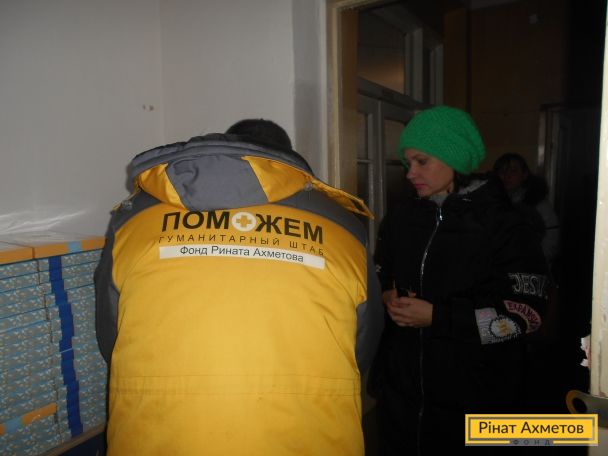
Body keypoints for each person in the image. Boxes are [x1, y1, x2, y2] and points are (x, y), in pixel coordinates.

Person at [95, 119, 383, 455]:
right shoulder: (341, 225)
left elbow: (111, 335)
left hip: (158, 435)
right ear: (285, 159)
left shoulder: (133, 220)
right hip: (307, 434)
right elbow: (361, 344)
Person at [369, 106, 549, 454]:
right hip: (403, 397)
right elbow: (381, 272)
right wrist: (386, 294)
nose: (410, 173)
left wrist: (439, 317)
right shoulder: (402, 217)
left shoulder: (506, 225)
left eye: (422, 161)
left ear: (454, 158)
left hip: (476, 398)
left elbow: (527, 315)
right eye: (408, 162)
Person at [492, 152, 560, 271]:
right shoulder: (492, 202)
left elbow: (551, 241)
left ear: (524, 174)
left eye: (513, 171)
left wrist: (530, 262)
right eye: (502, 171)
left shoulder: (538, 203)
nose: (507, 176)